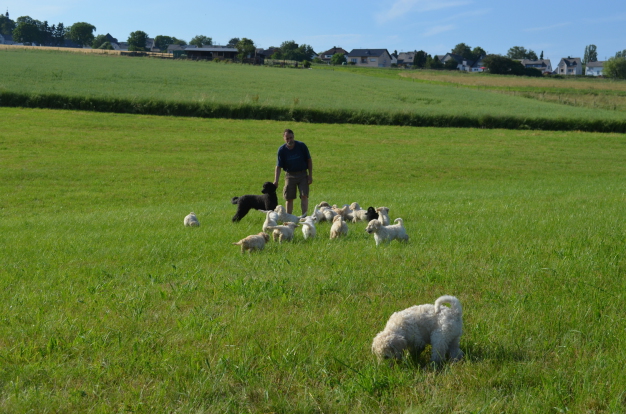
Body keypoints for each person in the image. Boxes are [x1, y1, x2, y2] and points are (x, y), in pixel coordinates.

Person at [273, 128, 313, 217]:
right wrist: (276, 181)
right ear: (284, 138)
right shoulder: (282, 150)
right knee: (289, 198)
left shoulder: (301, 146)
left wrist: (310, 175)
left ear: (293, 136)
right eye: (287, 138)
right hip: (289, 175)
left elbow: (309, 161)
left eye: (291, 138)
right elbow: (278, 166)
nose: (289, 140)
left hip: (302, 174)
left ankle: (304, 217)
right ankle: (288, 218)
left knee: (304, 195)